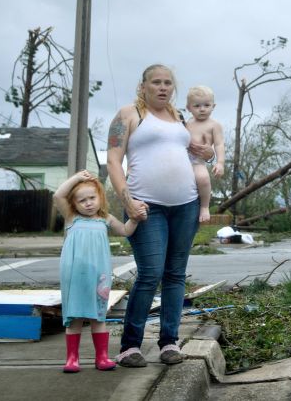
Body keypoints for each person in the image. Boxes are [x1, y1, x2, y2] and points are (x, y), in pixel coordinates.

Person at [107, 64, 213, 368]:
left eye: (168, 83)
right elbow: (114, 161)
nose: (163, 87)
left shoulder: (180, 118)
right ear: (144, 86)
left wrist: (208, 155)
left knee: (175, 274)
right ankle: (130, 346)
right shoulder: (129, 114)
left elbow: (193, 153)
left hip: (186, 205)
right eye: (156, 82)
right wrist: (127, 201)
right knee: (150, 273)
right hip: (146, 207)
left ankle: (169, 341)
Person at [53, 170, 142, 373]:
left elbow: (126, 231)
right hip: (74, 274)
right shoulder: (71, 218)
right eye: (81, 200)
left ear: (100, 198)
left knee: (98, 316)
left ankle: (102, 357)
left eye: (92, 198)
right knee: (74, 316)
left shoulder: (105, 219)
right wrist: (77, 178)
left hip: (98, 274)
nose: (88, 203)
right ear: (74, 204)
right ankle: (72, 359)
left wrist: (135, 219)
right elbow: (58, 195)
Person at [185, 85, 225, 223]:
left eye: (206, 105)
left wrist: (220, 163)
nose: (202, 109)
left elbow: (219, 144)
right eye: (197, 106)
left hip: (197, 161)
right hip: (182, 160)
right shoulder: (186, 123)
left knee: (203, 178)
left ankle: (204, 206)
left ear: (213, 106)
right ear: (188, 107)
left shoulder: (214, 125)